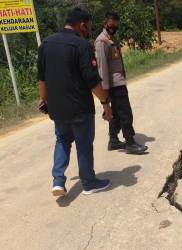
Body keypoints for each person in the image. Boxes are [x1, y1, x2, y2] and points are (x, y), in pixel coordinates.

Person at [37, 8, 113, 197]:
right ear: (82, 25)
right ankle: (88, 183)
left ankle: (58, 181)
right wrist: (105, 102)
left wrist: (44, 100)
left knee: (62, 141)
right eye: (88, 26)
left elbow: (41, 79)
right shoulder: (81, 45)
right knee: (84, 144)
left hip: (57, 108)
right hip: (80, 107)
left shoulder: (46, 44)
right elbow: (92, 80)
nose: (88, 30)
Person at [95, 12, 148, 155]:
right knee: (125, 112)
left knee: (117, 113)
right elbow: (102, 67)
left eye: (116, 24)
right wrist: (105, 89)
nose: (114, 27)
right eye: (111, 24)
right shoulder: (101, 41)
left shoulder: (111, 38)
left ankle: (113, 140)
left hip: (118, 81)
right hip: (113, 84)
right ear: (105, 23)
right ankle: (130, 142)